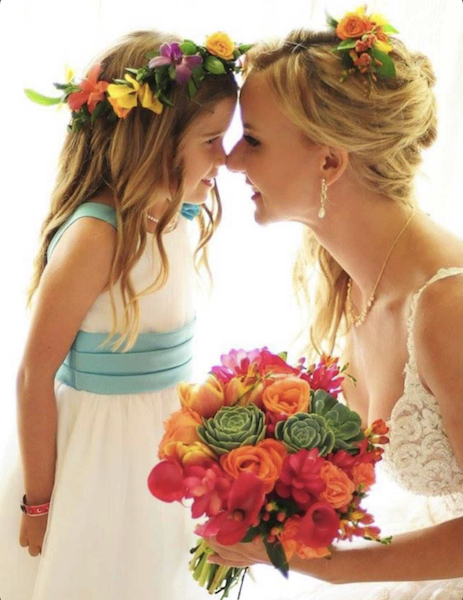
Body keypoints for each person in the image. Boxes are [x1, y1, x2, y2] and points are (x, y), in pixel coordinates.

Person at [206, 13, 463, 600]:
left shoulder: (450, 309)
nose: (232, 161)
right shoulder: (349, 281)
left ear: (329, 161)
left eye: (254, 139)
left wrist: (311, 561)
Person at [0, 29, 238, 600]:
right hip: (97, 454)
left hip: (162, 447)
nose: (223, 158)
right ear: (154, 139)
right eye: (210, 140)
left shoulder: (176, 215)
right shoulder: (96, 236)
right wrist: (40, 501)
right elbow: (34, 377)